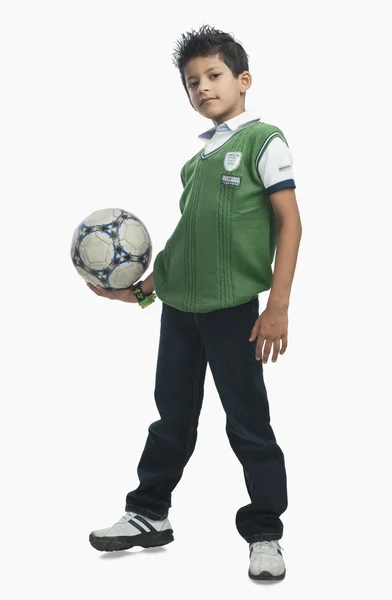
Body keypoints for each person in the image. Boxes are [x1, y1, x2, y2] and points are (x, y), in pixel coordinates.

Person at [87, 24, 302, 581]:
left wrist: (277, 305)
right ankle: (147, 514)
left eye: (214, 76)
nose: (203, 88)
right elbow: (185, 244)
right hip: (180, 308)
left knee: (248, 423)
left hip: (233, 311)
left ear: (243, 80)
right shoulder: (198, 160)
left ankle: (265, 532)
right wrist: (135, 292)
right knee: (172, 417)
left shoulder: (263, 140)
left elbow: (290, 222)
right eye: (192, 82)